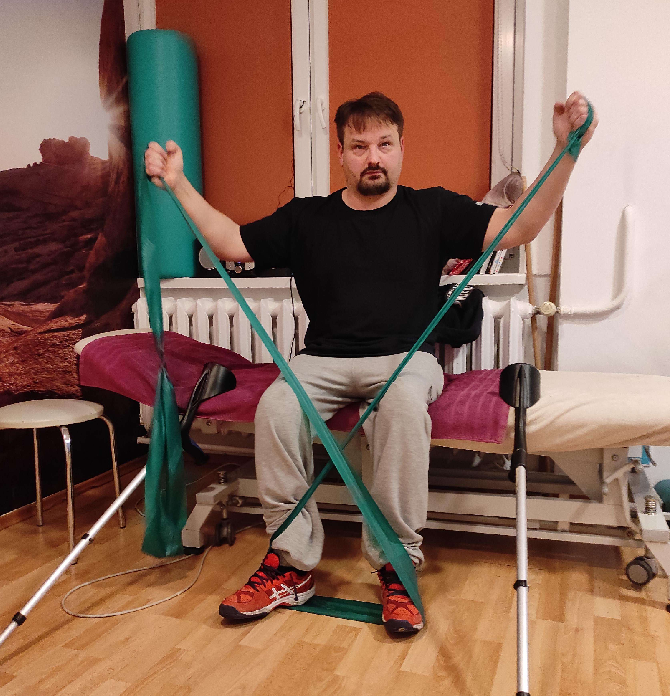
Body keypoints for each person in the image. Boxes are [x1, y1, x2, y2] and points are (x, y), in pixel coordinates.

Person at [145, 91, 597, 635]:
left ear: (402, 148)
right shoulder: (308, 217)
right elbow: (230, 241)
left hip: (406, 360)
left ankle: (396, 564)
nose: (373, 157)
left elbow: (520, 226)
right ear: (341, 153)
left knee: (402, 408)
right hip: (322, 361)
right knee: (276, 409)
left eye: (385, 144)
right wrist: (178, 183)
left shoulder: (432, 209)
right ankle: (290, 565)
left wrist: (566, 150)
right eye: (359, 146)